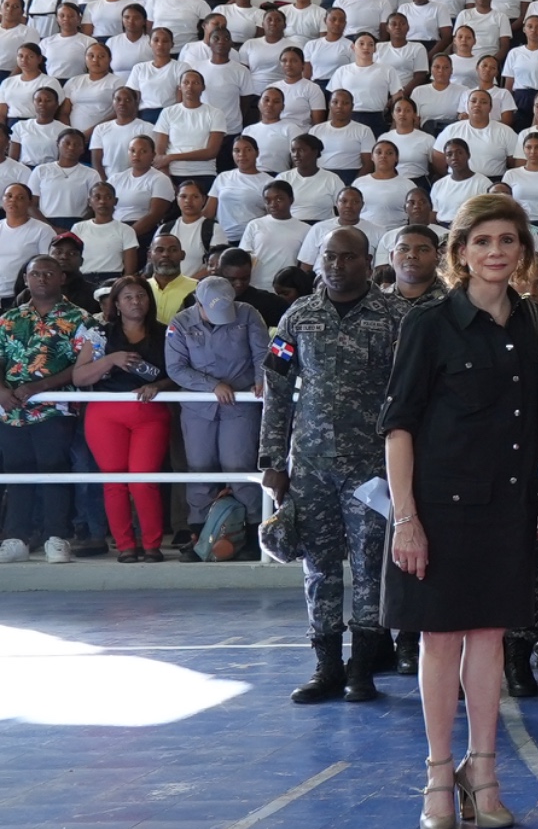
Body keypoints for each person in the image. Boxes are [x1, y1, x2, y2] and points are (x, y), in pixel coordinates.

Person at [380, 195, 538, 829]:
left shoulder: (531, 320)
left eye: (507, 240)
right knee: (441, 640)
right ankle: (438, 775)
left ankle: (483, 771)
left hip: (508, 506)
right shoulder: (428, 323)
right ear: (460, 252)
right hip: (440, 510)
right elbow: (399, 426)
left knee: (490, 639)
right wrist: (406, 518)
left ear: (522, 251)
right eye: (482, 241)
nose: (496, 252)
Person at [258, 227, 407, 703]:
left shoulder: (395, 317)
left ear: (368, 260)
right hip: (310, 466)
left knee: (370, 566)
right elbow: (277, 389)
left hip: (373, 468)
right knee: (318, 567)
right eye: (329, 257)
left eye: (347, 257)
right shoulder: (298, 316)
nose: (337, 265)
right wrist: (272, 460)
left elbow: (412, 393)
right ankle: (326, 667)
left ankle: (362, 668)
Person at [162, 276, 265, 561]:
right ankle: (199, 537)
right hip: (199, 407)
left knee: (240, 467)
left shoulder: (248, 314)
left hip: (240, 403)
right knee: (200, 469)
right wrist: (212, 385)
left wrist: (261, 380)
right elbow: (176, 368)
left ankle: (253, 536)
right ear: (198, 303)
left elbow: (262, 353)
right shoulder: (180, 323)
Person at [70, 275, 172, 562]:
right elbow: (79, 377)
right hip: (105, 414)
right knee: (114, 480)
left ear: (149, 300)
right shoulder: (100, 334)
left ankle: (151, 544)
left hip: (149, 413)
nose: (135, 302)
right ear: (116, 303)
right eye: (127, 297)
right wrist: (109, 360)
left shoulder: (166, 333)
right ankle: (125, 545)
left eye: (141, 295)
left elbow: (178, 374)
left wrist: (158, 385)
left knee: (143, 479)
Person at [0, 256, 86, 566]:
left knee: (54, 469)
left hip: (55, 408)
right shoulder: (9, 318)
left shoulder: (80, 318)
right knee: (16, 471)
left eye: (48, 273)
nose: (41, 278)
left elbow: (82, 366)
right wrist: (2, 391)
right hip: (12, 410)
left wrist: (40, 386)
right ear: (26, 279)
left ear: (62, 277)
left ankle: (56, 537)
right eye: (35, 273)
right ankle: (15, 538)